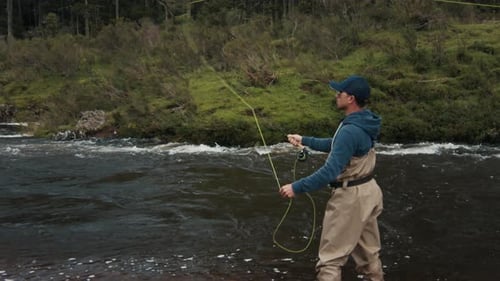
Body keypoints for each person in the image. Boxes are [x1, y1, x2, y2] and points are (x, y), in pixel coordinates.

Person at [279, 75, 384, 281]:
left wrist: (296, 187)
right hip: (369, 191)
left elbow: (329, 172)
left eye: (340, 93)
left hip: (350, 198)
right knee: (369, 256)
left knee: (330, 261)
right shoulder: (364, 122)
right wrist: (305, 140)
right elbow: (337, 144)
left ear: (351, 98)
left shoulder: (350, 130)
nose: (336, 96)